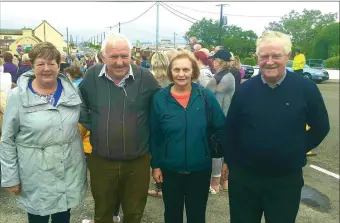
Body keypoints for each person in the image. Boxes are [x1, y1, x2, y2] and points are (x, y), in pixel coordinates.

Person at [222, 31, 330, 223]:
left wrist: (297, 148)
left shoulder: (306, 89)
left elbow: (321, 126)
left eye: (276, 56)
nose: (269, 61)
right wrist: (229, 162)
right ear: (257, 58)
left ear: (287, 57)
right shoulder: (245, 90)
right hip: (245, 179)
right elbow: (231, 130)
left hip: (285, 180)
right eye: (264, 56)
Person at [0, 42, 87, 223]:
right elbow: (7, 139)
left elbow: (88, 120)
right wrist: (10, 177)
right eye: (40, 64)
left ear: (58, 66)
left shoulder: (72, 92)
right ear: (32, 66)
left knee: (63, 217)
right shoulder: (18, 96)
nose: (46, 69)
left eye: (51, 64)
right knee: (37, 218)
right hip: (35, 175)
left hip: (67, 171)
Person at [79, 32, 160, 223]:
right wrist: (95, 124)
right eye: (113, 56)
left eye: (124, 56)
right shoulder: (92, 76)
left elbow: (160, 107)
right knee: (103, 212)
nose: (119, 62)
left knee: (133, 213)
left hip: (137, 162)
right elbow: (79, 102)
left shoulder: (145, 78)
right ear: (103, 56)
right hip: (102, 161)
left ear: (131, 56)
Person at [150, 51, 225, 223]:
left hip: (199, 169)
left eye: (186, 69)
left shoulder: (206, 96)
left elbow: (221, 128)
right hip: (170, 169)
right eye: (176, 70)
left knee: (197, 216)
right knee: (172, 215)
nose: (181, 74)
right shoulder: (159, 98)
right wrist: (155, 165)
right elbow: (155, 135)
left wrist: (224, 161)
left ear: (193, 71)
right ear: (170, 72)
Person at [206, 49, 235, 194]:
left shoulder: (223, 77)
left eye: (213, 60)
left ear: (219, 61)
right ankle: (224, 182)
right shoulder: (225, 76)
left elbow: (212, 97)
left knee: (216, 150)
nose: (212, 62)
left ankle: (215, 184)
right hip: (225, 116)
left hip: (220, 118)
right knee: (222, 151)